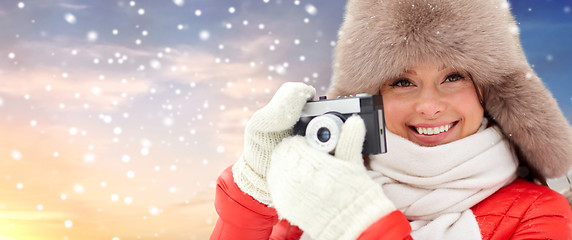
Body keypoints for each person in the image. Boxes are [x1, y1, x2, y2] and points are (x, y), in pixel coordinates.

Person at [210, 0, 572, 239]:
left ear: (490, 91)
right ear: (370, 98)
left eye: (453, 77)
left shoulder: (538, 213)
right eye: (402, 81)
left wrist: (361, 223)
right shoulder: (314, 200)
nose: (429, 106)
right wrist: (253, 193)